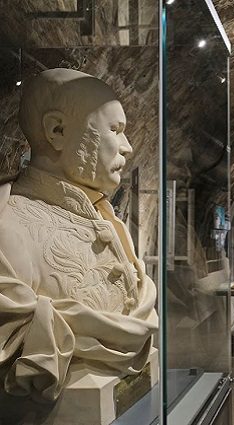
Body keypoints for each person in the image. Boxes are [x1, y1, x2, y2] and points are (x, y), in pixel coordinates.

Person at [0, 68, 158, 403]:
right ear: (57, 131)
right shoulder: (8, 228)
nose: (128, 147)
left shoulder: (108, 220)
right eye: (115, 130)